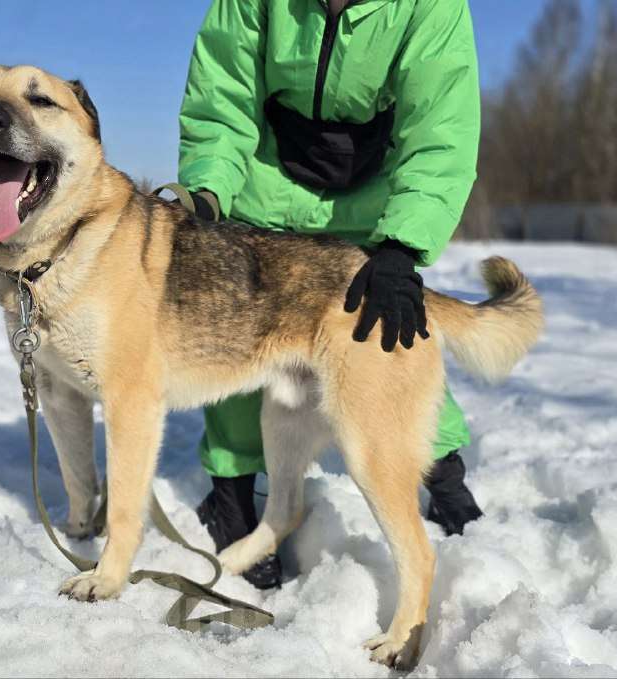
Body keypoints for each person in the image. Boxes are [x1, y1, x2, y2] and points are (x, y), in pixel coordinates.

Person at [177, 0, 483, 589]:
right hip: (260, 192)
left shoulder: (431, 6)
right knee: (231, 342)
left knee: (390, 339)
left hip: (371, 204)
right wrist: (208, 194)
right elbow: (223, 100)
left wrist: (403, 243)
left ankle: (444, 478)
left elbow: (440, 131)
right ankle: (233, 499)